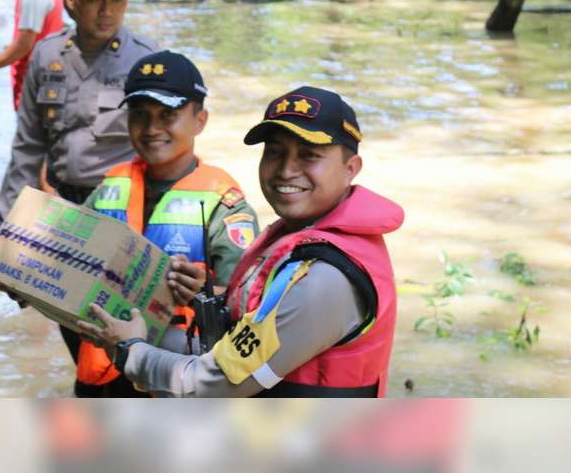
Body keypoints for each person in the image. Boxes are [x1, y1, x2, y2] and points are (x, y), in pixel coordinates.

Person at [79, 85, 405, 397]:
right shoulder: (297, 237)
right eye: (275, 153)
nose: (286, 170)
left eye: (309, 155)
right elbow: (232, 348)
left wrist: (130, 351)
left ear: (351, 169)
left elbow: (212, 385)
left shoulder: (325, 278)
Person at [0, 0, 157, 397]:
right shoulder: (47, 57)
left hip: (125, 216)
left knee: (124, 343)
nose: (107, 10)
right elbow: (28, 144)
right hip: (63, 213)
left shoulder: (144, 62)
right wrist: (10, 229)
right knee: (78, 335)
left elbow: (164, 149)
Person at [75, 50, 259, 397]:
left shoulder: (225, 205)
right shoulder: (109, 189)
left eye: (167, 115)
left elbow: (254, 309)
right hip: (104, 373)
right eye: (140, 115)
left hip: (174, 376)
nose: (151, 129)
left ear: (200, 120)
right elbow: (67, 259)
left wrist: (207, 294)